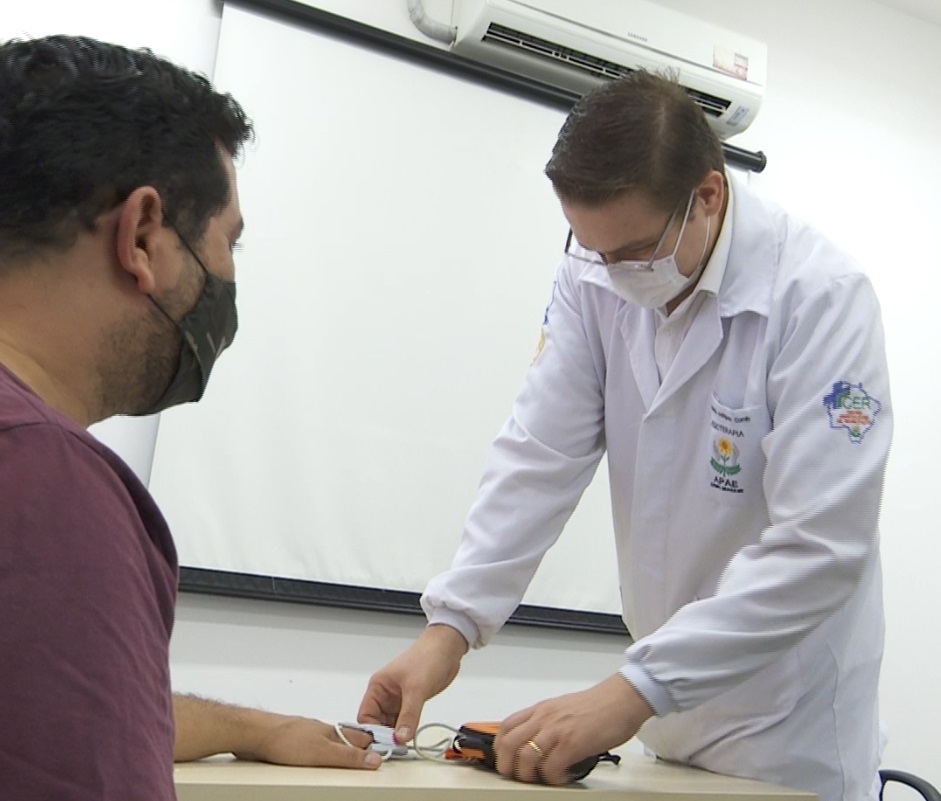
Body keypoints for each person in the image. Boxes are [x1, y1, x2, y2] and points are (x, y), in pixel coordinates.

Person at [0, 35, 379, 801]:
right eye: (227, 243)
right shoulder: (13, 476)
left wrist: (249, 725)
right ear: (144, 234)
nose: (226, 276)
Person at [359, 71, 891, 801]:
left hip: (786, 730)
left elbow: (821, 546)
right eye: (592, 249)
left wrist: (631, 689)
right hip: (667, 718)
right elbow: (539, 455)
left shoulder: (818, 299)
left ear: (707, 196)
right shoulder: (592, 274)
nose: (613, 274)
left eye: (634, 250)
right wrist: (448, 629)